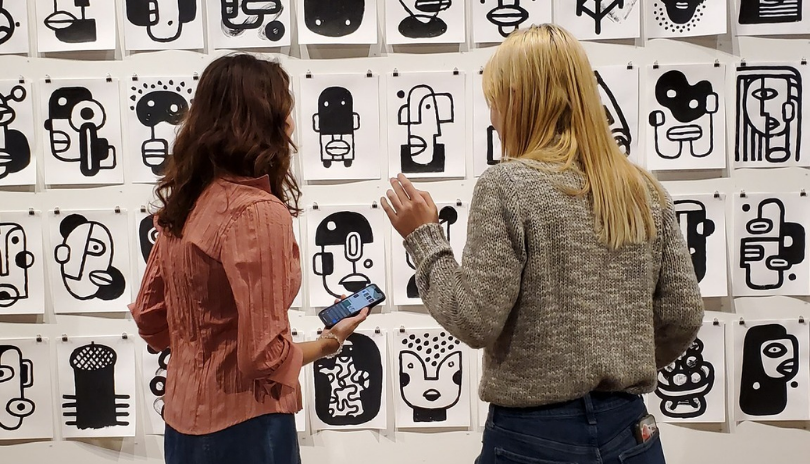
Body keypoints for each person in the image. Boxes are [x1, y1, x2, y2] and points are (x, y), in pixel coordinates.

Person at [381, 24, 703, 464]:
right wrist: (619, 359)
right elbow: (683, 314)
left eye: (495, 101)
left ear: (518, 100)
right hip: (631, 429)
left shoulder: (508, 186)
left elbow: (474, 320)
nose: (493, 118)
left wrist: (424, 238)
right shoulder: (642, 190)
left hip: (534, 436)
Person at [129, 54, 369, 464]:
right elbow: (264, 357)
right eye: (285, 111)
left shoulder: (184, 205)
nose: (291, 124)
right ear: (264, 122)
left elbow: (150, 319)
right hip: (245, 427)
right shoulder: (257, 212)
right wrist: (330, 342)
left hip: (181, 423)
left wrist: (201, 338)